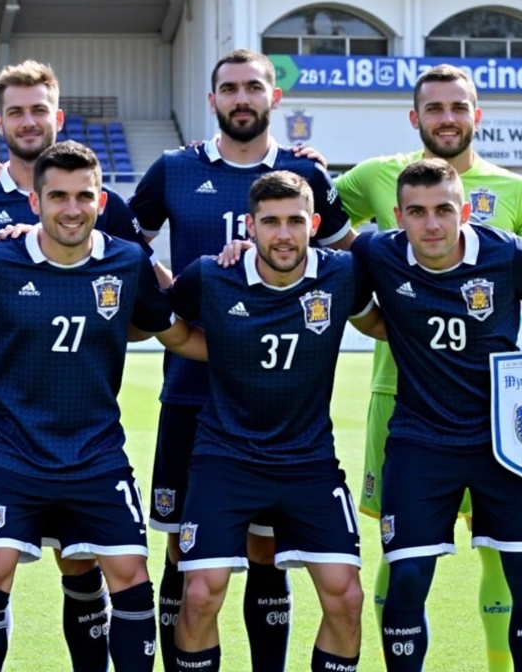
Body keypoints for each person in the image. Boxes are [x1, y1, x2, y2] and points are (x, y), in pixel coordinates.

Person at [0, 59, 154, 670]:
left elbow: (143, 298)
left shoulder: (114, 217)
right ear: (0, 121)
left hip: (88, 429)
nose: (29, 121)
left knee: (81, 563)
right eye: (16, 111)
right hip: (4, 429)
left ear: (59, 115)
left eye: (39, 109)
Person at [129, 48, 354, 671]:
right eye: (230, 89)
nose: (242, 99)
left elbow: (350, 259)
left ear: (272, 98)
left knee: (267, 546)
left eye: (254, 87)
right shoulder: (174, 169)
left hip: (275, 395)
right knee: (183, 550)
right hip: (192, 385)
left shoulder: (306, 177)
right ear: (212, 102)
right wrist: (179, 281)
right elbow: (119, 246)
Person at [332, 63, 522, 672]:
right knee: (402, 557)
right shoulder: (378, 176)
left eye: (458, 107)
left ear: (476, 115)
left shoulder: (516, 193)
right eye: (434, 108)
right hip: (400, 394)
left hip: (494, 411)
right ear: (415, 117)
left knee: (510, 560)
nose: (447, 118)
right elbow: (318, 219)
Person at [0, 141, 206, 672]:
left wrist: (247, 342)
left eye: (83, 195)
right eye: (57, 195)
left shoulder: (127, 262)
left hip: (96, 454)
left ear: (101, 199)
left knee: (131, 574)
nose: (71, 208)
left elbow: (174, 334)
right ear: (35, 201)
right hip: (10, 452)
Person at [349, 158, 522, 672]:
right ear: (397, 216)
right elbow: (308, 243)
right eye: (417, 212)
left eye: (444, 209)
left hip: (505, 445)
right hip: (420, 441)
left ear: (464, 210)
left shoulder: (507, 254)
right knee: (408, 577)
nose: (432, 224)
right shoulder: (378, 252)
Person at [169, 171, 383, 672]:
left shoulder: (343, 274)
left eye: (294, 221)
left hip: (308, 462)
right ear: (250, 225)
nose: (283, 234)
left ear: (312, 224)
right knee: (200, 593)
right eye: (270, 222)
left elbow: (389, 317)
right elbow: (163, 322)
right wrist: (222, 352)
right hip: (226, 458)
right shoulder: (210, 274)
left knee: (345, 597)